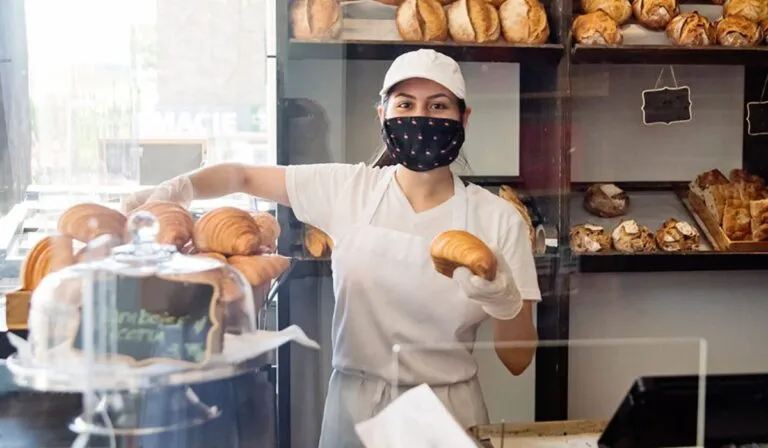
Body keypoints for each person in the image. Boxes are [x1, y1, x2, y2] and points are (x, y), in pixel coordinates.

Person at [123, 49, 541, 447]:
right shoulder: (348, 188)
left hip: (448, 413)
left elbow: (518, 360)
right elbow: (242, 176)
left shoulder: (498, 218)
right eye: (405, 104)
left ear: (463, 117)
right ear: (383, 115)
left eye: (437, 106)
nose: (420, 117)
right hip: (355, 407)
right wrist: (182, 188)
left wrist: (505, 303)